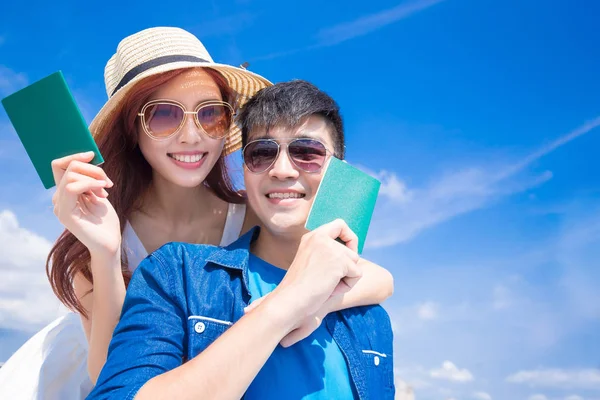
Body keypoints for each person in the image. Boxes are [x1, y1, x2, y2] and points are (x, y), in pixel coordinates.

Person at [0, 28, 393, 399]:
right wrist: (104, 252)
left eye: (210, 115)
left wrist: (312, 299)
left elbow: (376, 277)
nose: (192, 135)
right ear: (132, 130)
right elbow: (113, 371)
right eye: (164, 115)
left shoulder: (255, 212)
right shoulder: (97, 231)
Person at [88, 80, 395, 400]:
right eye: (262, 153)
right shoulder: (174, 274)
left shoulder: (372, 319)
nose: (282, 170)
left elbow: (382, 279)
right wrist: (288, 302)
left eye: (307, 152)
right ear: (245, 170)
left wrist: (320, 297)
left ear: (340, 173)